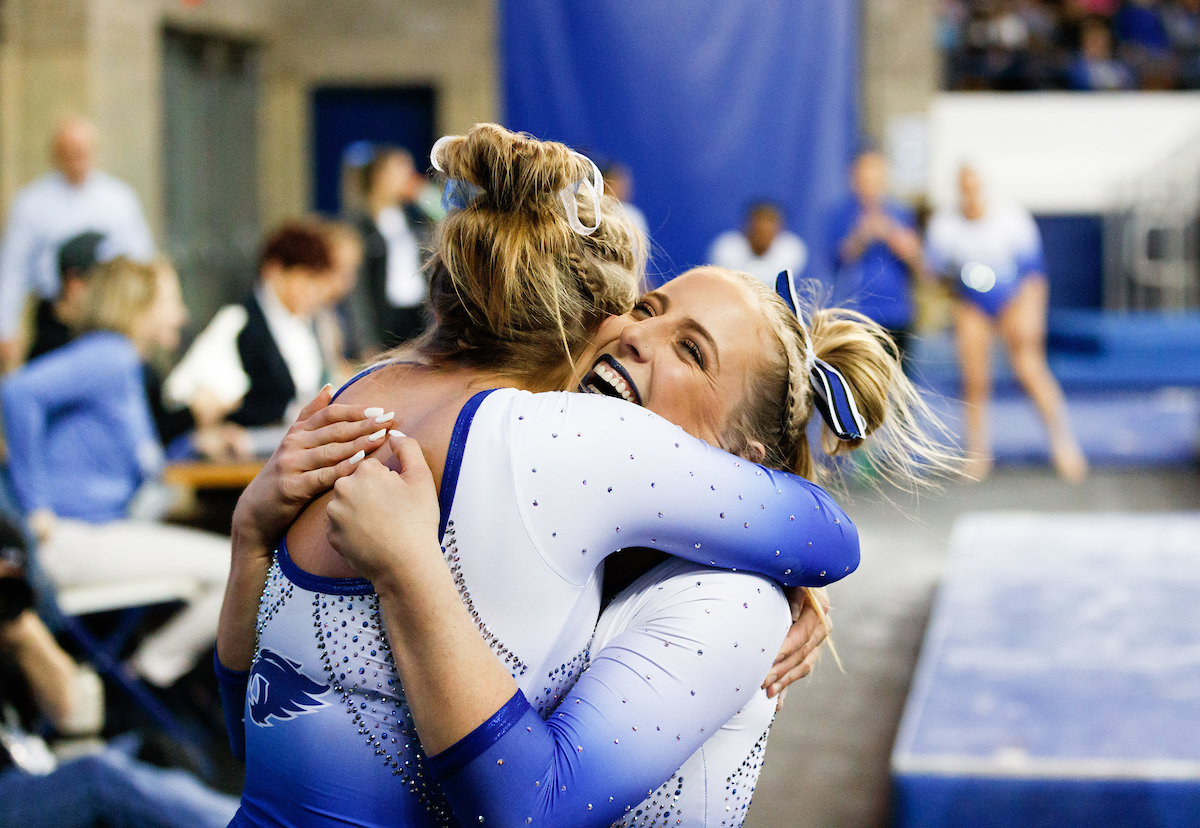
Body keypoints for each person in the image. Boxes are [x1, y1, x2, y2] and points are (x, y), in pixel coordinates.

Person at [214, 125, 945, 826]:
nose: (633, 333)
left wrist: (387, 565)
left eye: (689, 351)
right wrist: (255, 536)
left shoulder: (381, 392)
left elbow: (252, 744)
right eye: (645, 310)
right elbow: (273, 732)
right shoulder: (559, 452)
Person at [1, 257, 232, 686]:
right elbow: (17, 393)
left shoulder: (126, 365)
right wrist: (37, 507)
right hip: (68, 538)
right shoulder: (109, 355)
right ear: (137, 305)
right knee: (243, 570)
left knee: (232, 571)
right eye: (169, 301)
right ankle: (145, 674)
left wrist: (196, 440)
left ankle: (147, 673)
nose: (181, 315)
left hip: (96, 531)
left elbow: (139, 460)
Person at [0, 520, 239, 828]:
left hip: (30, 765)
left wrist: (24, 633)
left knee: (153, 750)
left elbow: (65, 710)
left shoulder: (14, 622)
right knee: (95, 778)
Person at [925, 165, 1087, 482]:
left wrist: (1031, 316)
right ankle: (976, 454)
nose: (970, 194)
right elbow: (934, 273)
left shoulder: (1011, 218)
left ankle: (1063, 443)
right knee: (974, 379)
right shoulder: (943, 226)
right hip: (972, 305)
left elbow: (1033, 276)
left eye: (974, 187)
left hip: (1014, 300)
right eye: (963, 188)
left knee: (1029, 369)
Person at [0, 117, 154, 373]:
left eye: (83, 152)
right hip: (56, 319)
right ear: (55, 155)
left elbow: (141, 260)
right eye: (70, 153)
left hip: (108, 317)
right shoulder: (31, 203)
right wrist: (5, 328)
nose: (77, 160)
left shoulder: (118, 199)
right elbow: (12, 270)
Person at [165, 222, 339, 430]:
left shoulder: (309, 327)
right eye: (307, 280)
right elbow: (181, 394)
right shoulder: (238, 320)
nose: (314, 293)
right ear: (275, 271)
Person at [830, 151, 924, 361]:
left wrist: (891, 234)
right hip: (856, 315)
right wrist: (862, 235)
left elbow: (919, 263)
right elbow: (837, 258)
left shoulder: (901, 213)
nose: (870, 183)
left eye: (875, 175)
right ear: (853, 177)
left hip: (896, 314)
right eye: (864, 176)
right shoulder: (840, 214)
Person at [347, 146, 437, 355]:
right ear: (379, 176)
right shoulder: (360, 224)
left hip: (417, 314)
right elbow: (357, 290)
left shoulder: (413, 221)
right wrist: (364, 340)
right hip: (383, 317)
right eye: (400, 171)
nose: (408, 178)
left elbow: (445, 217)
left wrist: (424, 194)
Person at [710, 201, 807, 286]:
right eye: (759, 231)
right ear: (747, 227)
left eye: (768, 231)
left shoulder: (792, 250)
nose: (762, 236)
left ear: (779, 229)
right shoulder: (727, 248)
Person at [600, 160, 650, 241]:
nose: (621, 188)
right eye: (616, 184)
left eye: (623, 183)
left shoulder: (634, 216)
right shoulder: (591, 212)